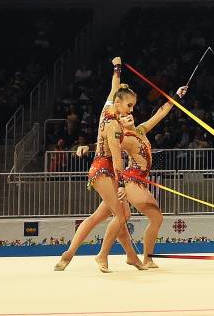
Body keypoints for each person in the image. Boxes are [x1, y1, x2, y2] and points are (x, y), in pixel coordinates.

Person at [54, 58, 144, 273]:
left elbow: (114, 86)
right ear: (120, 102)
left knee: (102, 217)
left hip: (102, 169)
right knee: (121, 216)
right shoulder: (114, 123)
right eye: (129, 105)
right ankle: (104, 256)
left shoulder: (108, 109)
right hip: (104, 170)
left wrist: (117, 68)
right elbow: (115, 158)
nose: (131, 110)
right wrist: (121, 184)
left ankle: (68, 255)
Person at [117, 85, 187, 268]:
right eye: (123, 117)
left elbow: (160, 113)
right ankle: (142, 257)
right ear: (120, 123)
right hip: (131, 181)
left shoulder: (140, 130)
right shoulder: (123, 138)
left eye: (129, 114)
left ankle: (143, 258)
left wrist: (176, 96)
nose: (128, 116)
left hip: (140, 182)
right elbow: (106, 145)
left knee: (133, 218)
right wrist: (87, 147)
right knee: (151, 217)